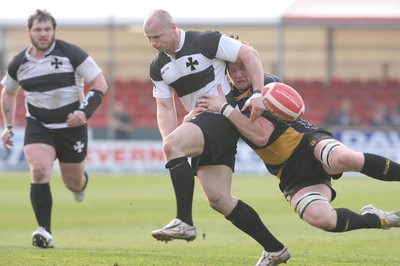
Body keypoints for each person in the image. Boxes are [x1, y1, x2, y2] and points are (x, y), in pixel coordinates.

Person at [198, 55, 400, 263]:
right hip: (288, 172)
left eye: (243, 67)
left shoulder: (267, 84)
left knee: (344, 158)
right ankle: (379, 219)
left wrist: (224, 109)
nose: (239, 74)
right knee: (320, 218)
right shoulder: (226, 99)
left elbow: (262, 135)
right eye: (233, 70)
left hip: (307, 142)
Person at [143, 10, 289, 266]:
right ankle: (275, 249)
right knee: (220, 201)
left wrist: (257, 93)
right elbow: (165, 109)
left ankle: (184, 222)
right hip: (202, 124)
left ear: (172, 28)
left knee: (174, 145)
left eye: (156, 36)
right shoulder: (158, 67)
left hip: (220, 117)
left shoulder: (206, 40)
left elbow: (249, 54)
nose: (153, 43)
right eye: (148, 39)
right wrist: (172, 137)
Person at [1, 9, 108, 249]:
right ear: (29, 31)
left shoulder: (72, 53)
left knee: (73, 183)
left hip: (72, 128)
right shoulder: (19, 62)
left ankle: (82, 182)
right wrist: (7, 127)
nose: (43, 34)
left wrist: (83, 112)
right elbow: (8, 92)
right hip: (38, 126)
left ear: (53, 31)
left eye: (47, 29)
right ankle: (44, 231)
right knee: (38, 171)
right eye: (38, 29)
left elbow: (100, 83)